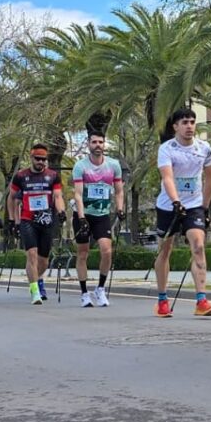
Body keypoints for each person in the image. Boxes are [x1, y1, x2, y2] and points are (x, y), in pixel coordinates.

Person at [153, 108, 211, 318]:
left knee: (198, 246)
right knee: (165, 251)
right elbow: (167, 178)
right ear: (176, 127)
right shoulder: (167, 149)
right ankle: (162, 299)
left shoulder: (204, 148)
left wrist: (205, 208)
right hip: (168, 205)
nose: (189, 126)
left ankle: (202, 301)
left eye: (192, 122)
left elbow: (210, 179)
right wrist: (175, 202)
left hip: (194, 205)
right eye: (184, 122)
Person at [72, 129, 125, 307]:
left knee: (106, 251)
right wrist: (81, 218)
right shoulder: (81, 166)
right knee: (83, 253)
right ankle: (84, 293)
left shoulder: (113, 165)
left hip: (102, 215)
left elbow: (119, 190)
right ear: (88, 144)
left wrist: (120, 208)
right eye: (94, 142)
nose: (98, 146)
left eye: (100, 142)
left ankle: (100, 289)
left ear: (104, 144)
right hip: (83, 214)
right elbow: (78, 194)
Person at [8, 143, 66, 305]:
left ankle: (38, 279)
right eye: (37, 159)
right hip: (28, 220)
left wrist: (61, 211)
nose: (40, 162)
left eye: (43, 159)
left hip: (46, 221)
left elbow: (58, 196)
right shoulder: (21, 176)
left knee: (44, 261)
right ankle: (34, 291)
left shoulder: (53, 176)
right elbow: (11, 198)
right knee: (32, 254)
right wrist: (13, 221)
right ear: (31, 158)